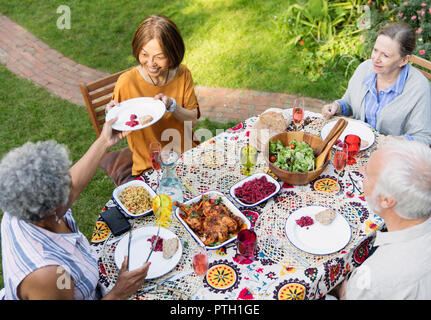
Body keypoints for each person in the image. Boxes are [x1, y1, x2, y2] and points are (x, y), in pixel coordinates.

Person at [0, 119, 150, 300]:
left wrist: (105, 140)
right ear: (53, 207)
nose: (72, 184)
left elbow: (75, 183)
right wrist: (119, 292)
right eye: (66, 185)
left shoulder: (21, 202)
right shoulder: (48, 274)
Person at [101, 14, 200, 185]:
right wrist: (110, 112)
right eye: (144, 54)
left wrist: (172, 105)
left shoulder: (182, 74)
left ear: (173, 52)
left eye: (159, 57)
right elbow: (115, 122)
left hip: (185, 155)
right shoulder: (126, 82)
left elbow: (192, 119)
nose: (151, 63)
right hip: (149, 164)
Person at [334, 137, 431, 299]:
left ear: (386, 200)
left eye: (368, 174)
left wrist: (343, 291)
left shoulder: (375, 277)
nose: (362, 170)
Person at [322, 22, 431, 146]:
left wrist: (397, 142)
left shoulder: (419, 88)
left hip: (393, 155)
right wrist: (337, 107)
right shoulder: (365, 68)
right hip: (357, 146)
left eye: (385, 55)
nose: (376, 58)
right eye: (375, 50)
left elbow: (423, 137)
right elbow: (349, 102)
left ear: (404, 60)